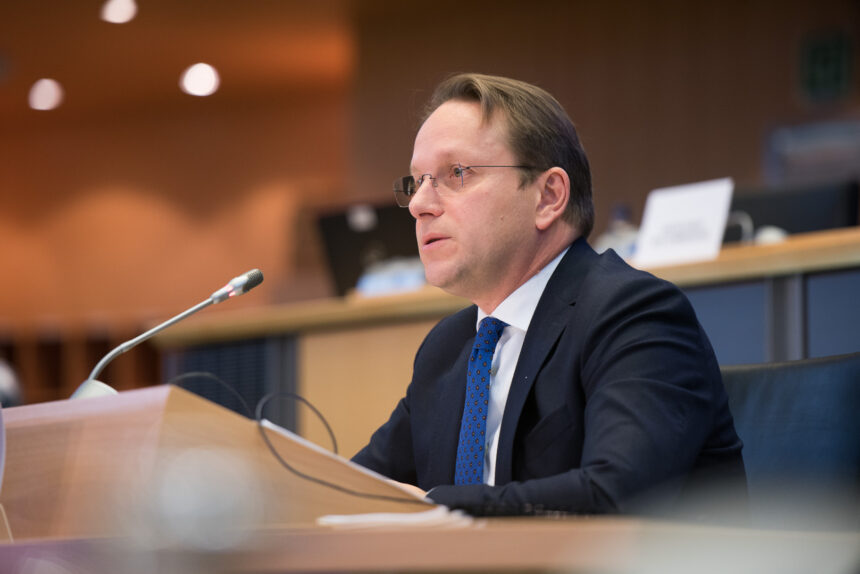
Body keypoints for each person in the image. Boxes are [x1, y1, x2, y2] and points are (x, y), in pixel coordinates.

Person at [352, 73, 745, 516]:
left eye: (456, 173)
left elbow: (614, 495)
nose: (420, 204)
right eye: (416, 182)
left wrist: (430, 508)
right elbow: (351, 489)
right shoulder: (447, 349)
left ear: (548, 196)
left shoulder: (634, 316)